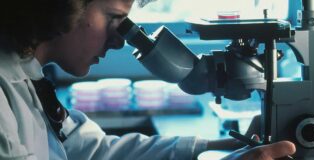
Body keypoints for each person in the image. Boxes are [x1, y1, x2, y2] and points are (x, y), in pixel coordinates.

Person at [0, 0, 296, 159]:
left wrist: (216, 148)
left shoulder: (29, 77)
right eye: (114, 18)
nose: (119, 41)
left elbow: (95, 152)